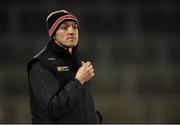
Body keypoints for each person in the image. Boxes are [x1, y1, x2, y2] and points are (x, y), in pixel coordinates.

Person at [27, 9, 102, 124]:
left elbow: (82, 100)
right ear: (53, 34)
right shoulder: (40, 64)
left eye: (75, 27)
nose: (71, 31)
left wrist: (94, 119)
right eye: (64, 27)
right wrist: (78, 81)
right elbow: (53, 108)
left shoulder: (80, 57)